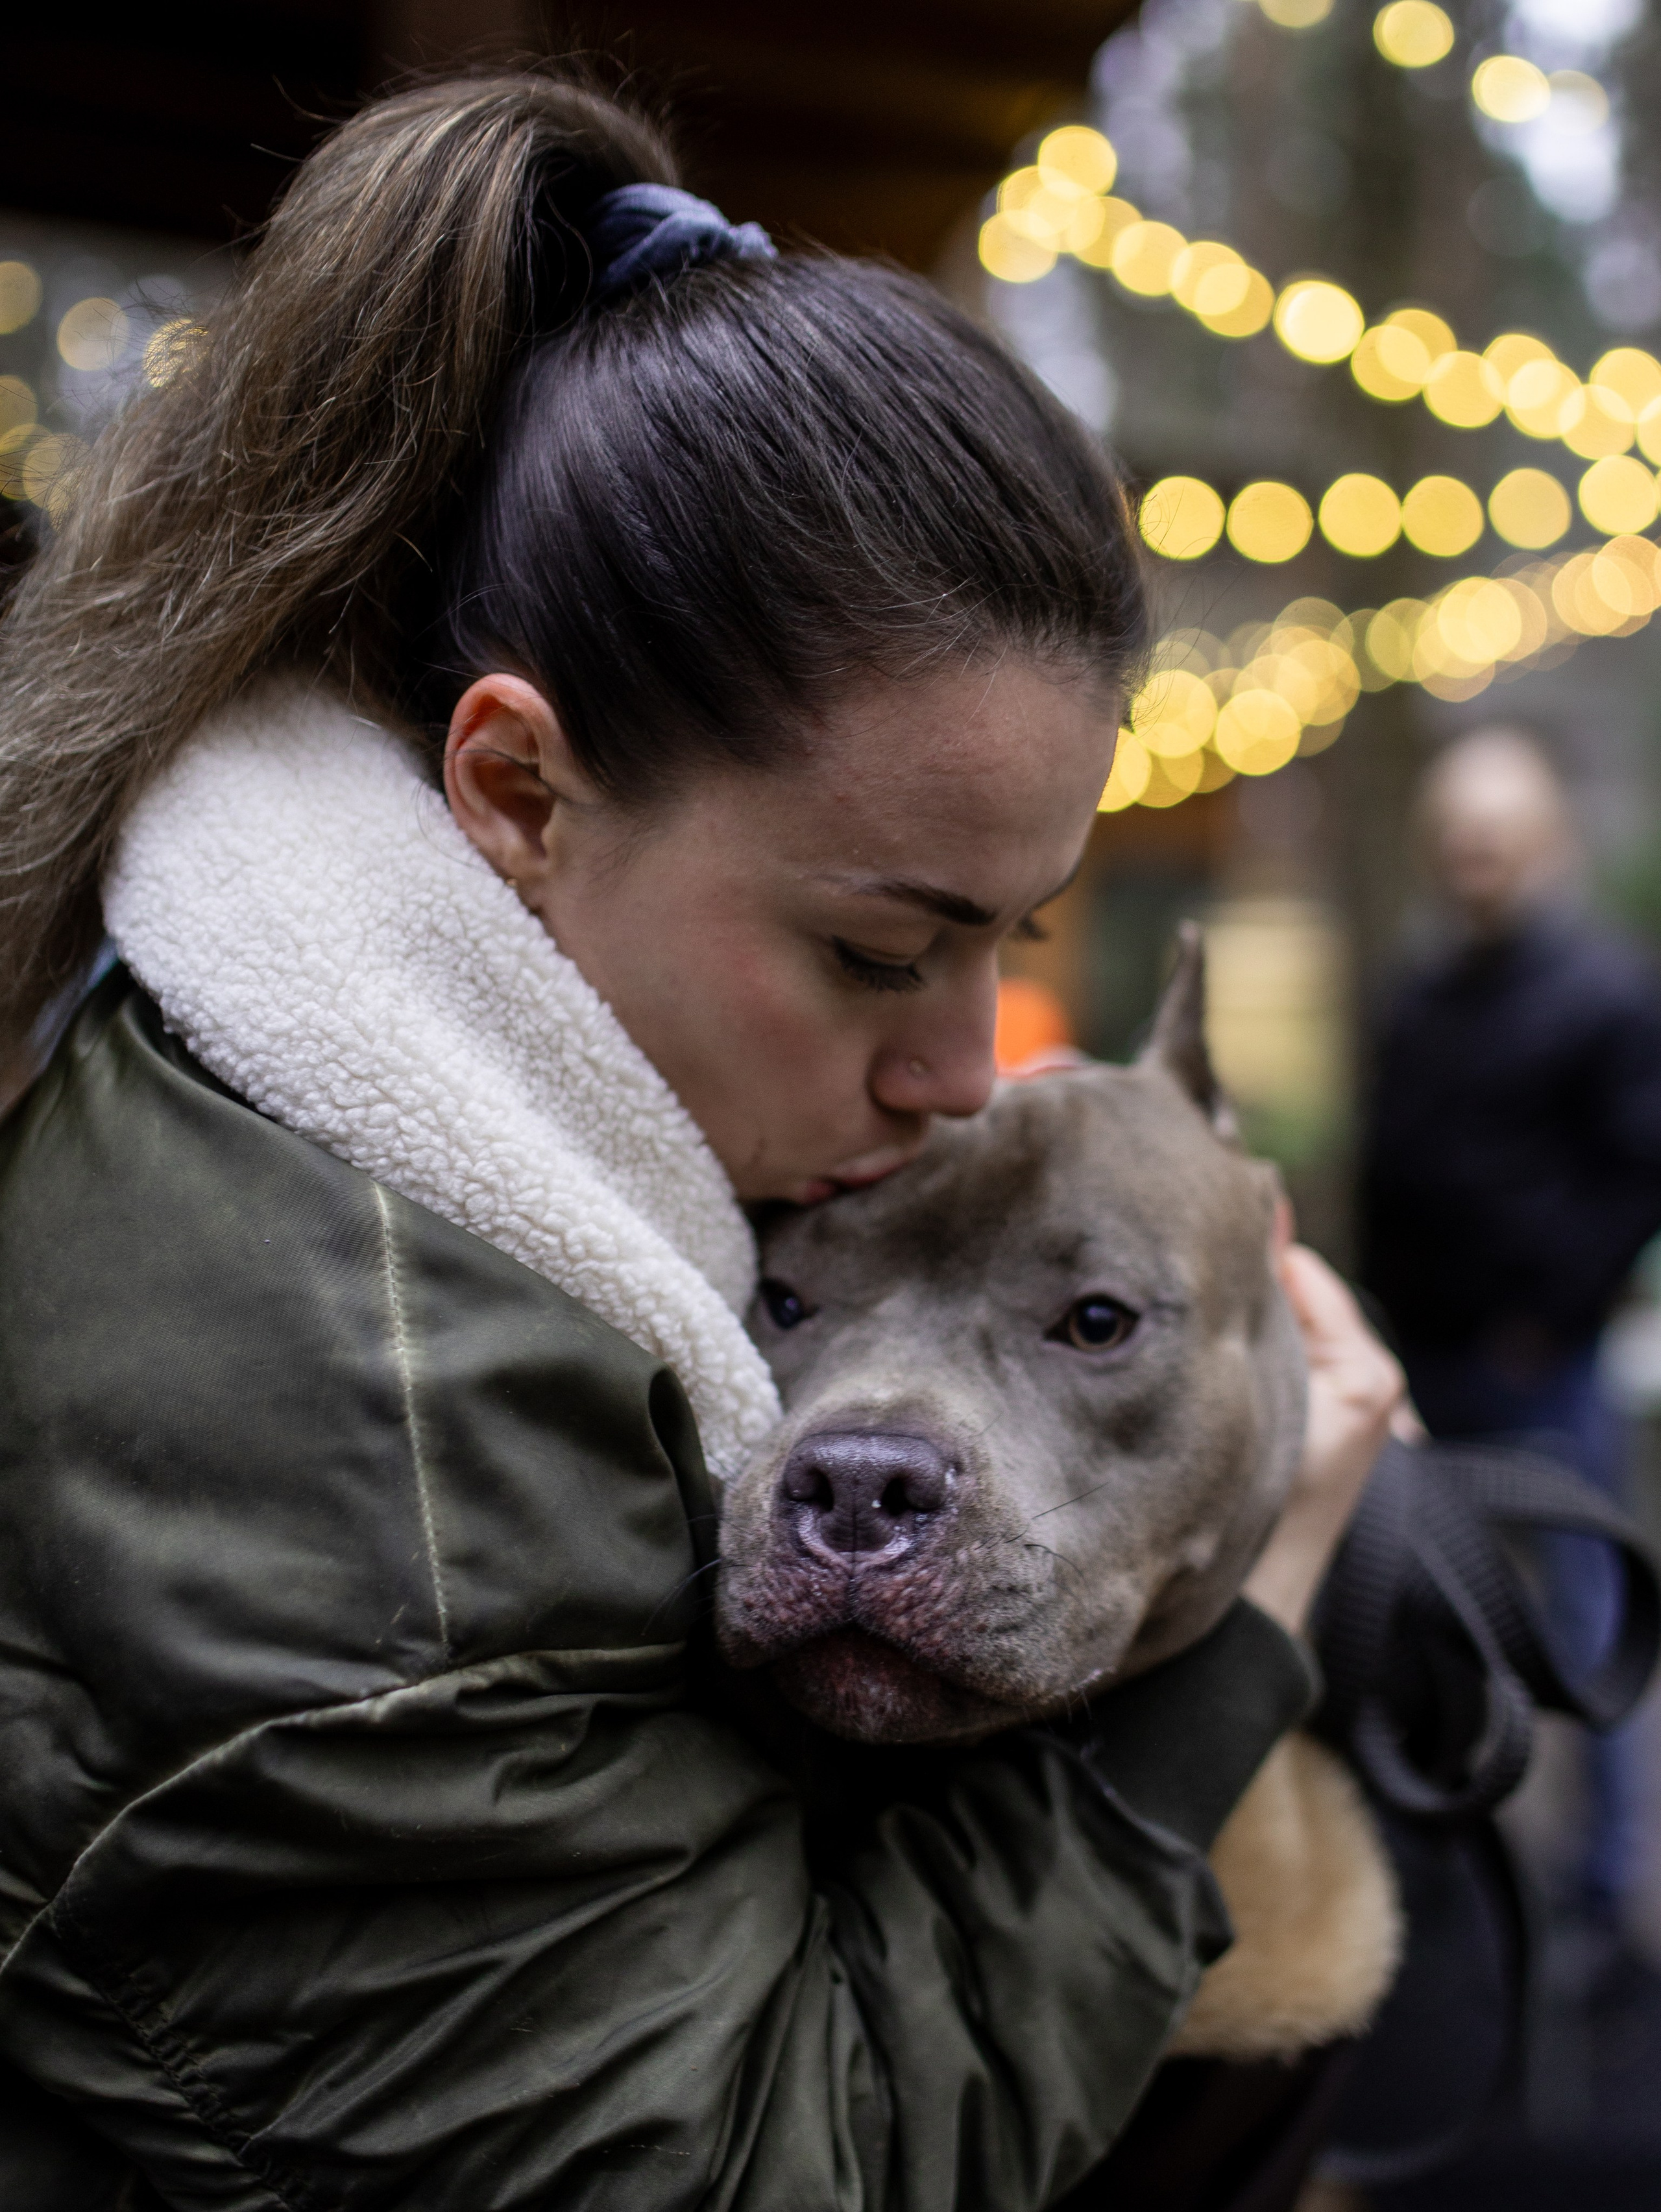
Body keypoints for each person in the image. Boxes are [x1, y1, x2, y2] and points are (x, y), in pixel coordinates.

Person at [0, 74, 1400, 2208]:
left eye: (1008, 944)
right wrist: (1258, 1612)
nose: (962, 1063)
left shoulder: (403, 1112)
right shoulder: (370, 1412)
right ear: (523, 798)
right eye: (875, 951)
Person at [1361, 725, 1661, 1927]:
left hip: (1536, 1363)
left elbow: (1637, 1172)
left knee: (1585, 1617)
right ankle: (1458, 1864)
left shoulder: (1603, 991)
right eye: (1458, 842)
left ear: (1540, 845)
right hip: (1427, 1352)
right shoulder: (1421, 990)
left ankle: (1604, 1880)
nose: (1472, 861)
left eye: (1494, 840)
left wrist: (1551, 1314)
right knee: (1427, 1609)